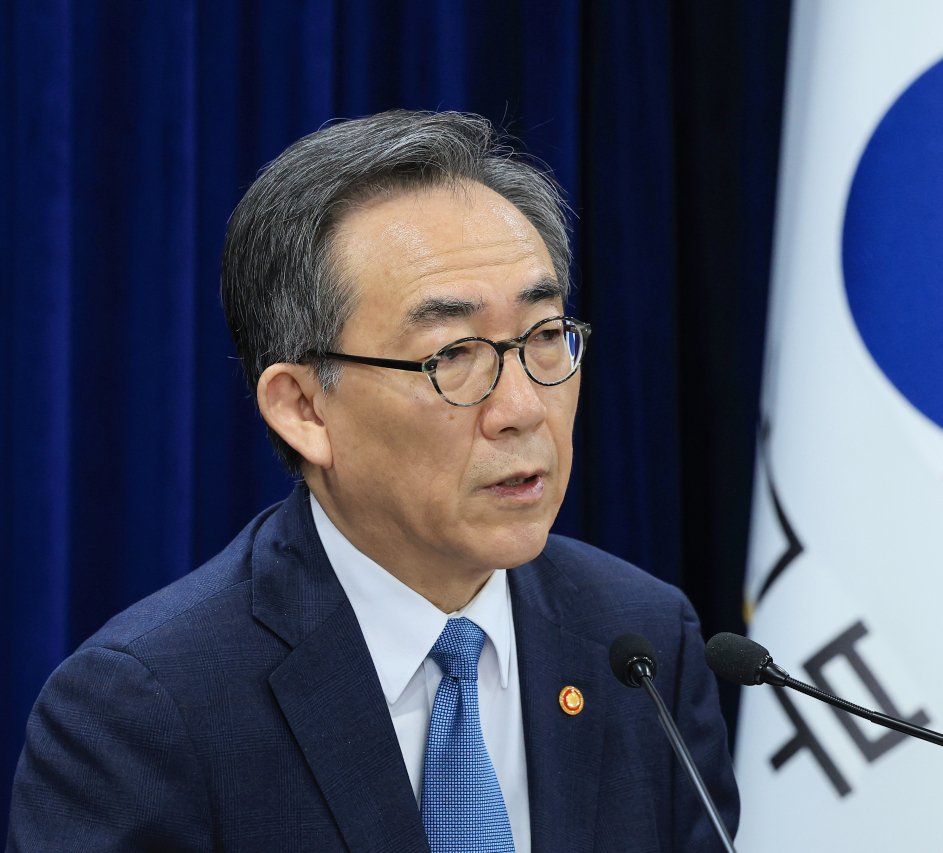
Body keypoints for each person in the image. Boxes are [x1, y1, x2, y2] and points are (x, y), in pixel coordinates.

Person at [6, 110, 738, 852]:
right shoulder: (145, 711)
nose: (522, 408)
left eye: (545, 337)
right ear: (303, 407)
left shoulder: (641, 643)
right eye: (453, 354)